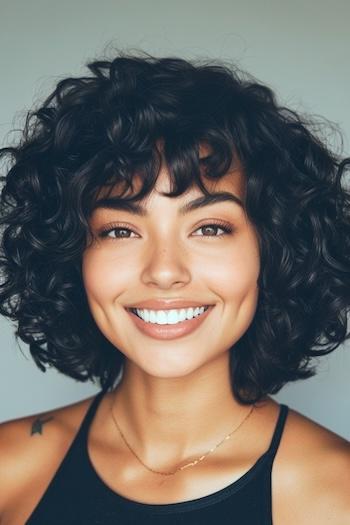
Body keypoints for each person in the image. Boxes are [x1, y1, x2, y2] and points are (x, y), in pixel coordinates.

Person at [0, 50, 349, 525]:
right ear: (71, 255)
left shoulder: (335, 496)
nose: (164, 272)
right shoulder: (10, 468)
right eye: (120, 231)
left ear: (273, 250)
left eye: (209, 228)